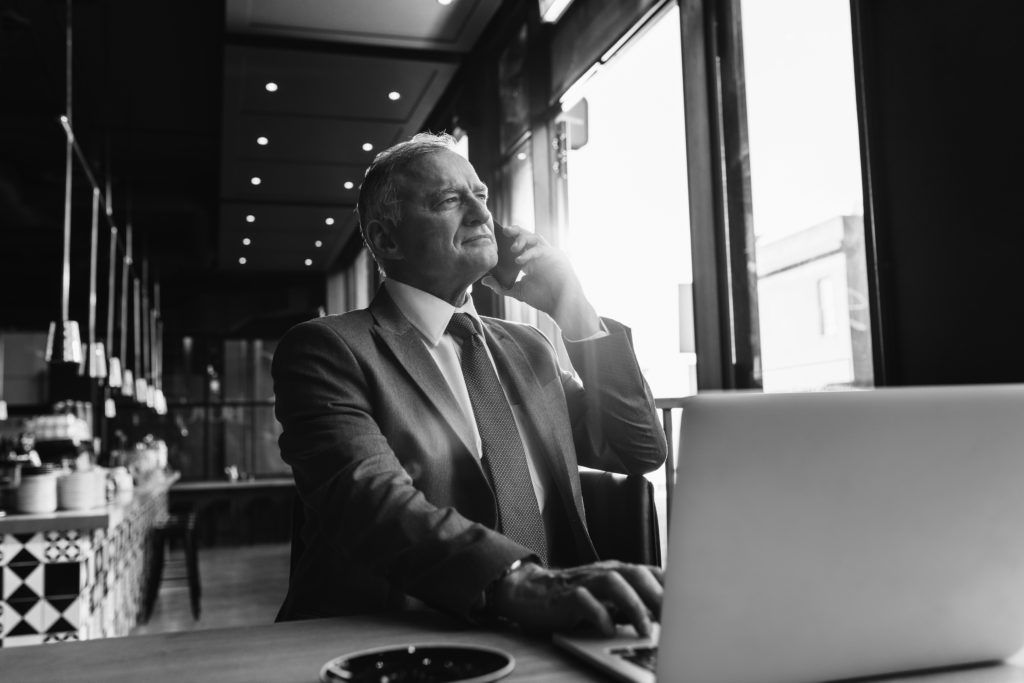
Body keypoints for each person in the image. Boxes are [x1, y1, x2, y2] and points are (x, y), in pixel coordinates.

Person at [272, 132, 668, 636]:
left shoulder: (529, 348)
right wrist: (518, 581)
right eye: (449, 200)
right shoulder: (328, 349)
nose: (483, 214)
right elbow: (369, 502)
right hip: (398, 636)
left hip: (557, 629)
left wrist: (574, 308)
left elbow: (637, 449)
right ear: (387, 239)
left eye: (480, 195)